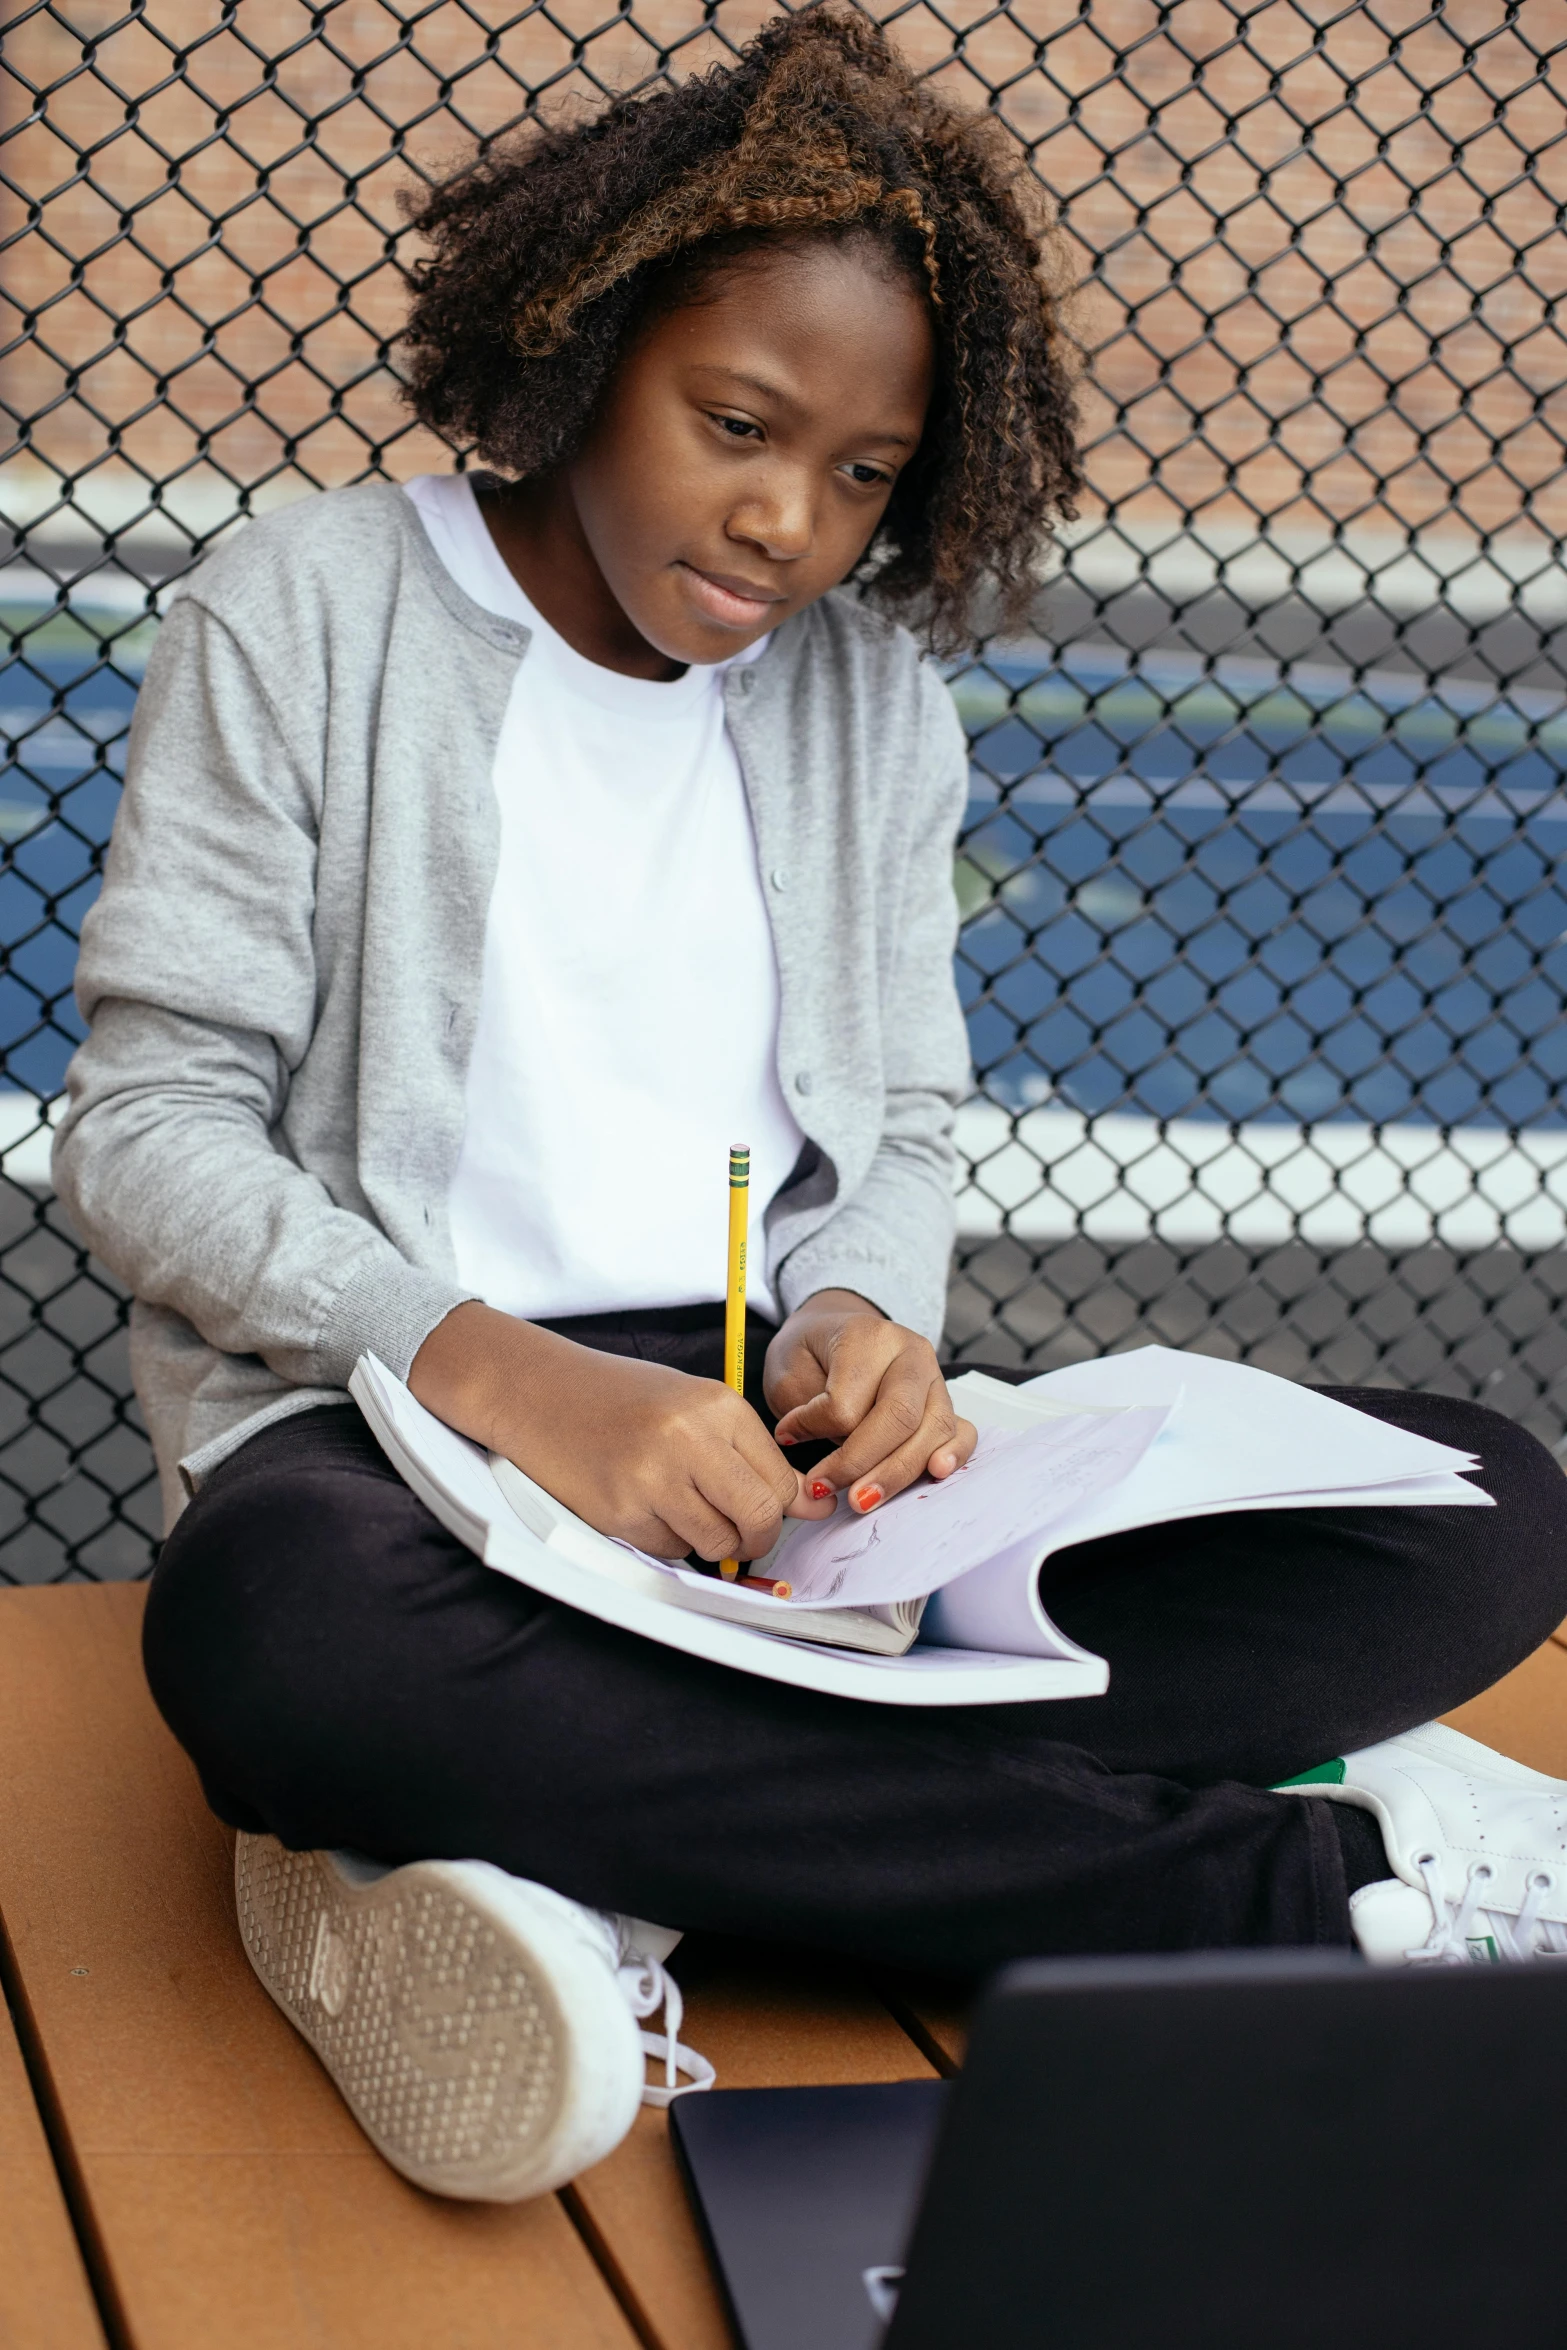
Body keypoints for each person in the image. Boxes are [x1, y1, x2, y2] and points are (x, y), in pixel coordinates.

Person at [54, 5, 1567, 2209]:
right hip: (404, 1436)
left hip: (785, 1481)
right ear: (583, 340)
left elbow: (910, 1129)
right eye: (738, 423)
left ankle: (558, 1846)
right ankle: (1285, 1889)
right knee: (272, 1635)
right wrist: (518, 1381)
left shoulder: (874, 700)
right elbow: (145, 1124)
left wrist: (874, 1314)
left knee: (1483, 1499)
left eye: (866, 473)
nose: (788, 519)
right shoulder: (307, 611)